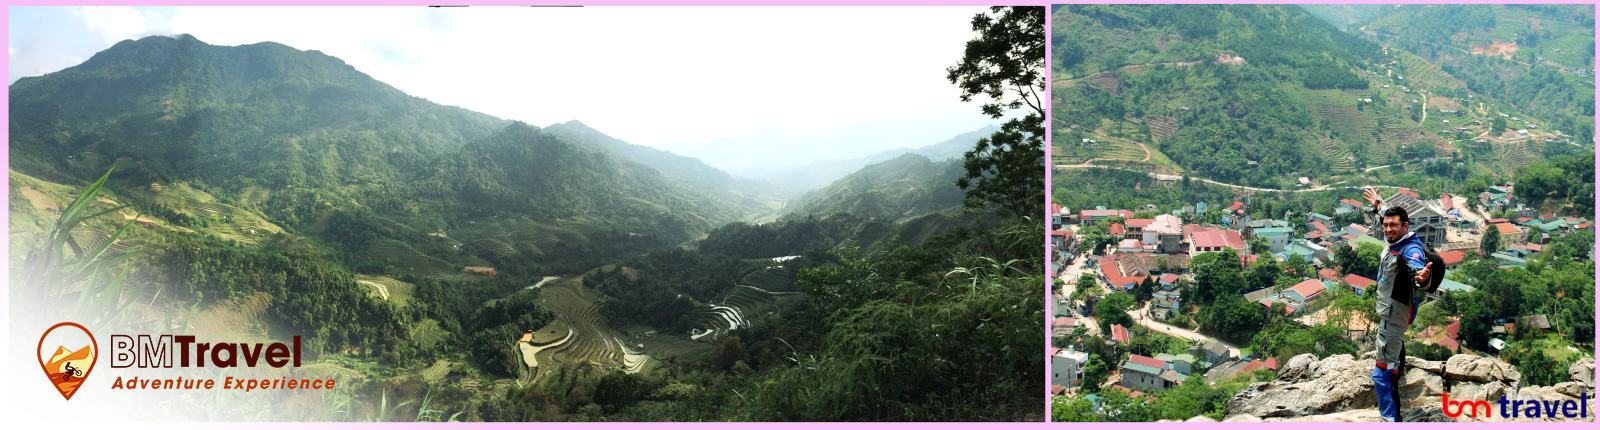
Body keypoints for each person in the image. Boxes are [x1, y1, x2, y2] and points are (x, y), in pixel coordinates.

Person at [1362, 187, 1434, 422]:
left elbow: (1417, 269)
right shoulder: (1396, 238)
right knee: (1394, 349)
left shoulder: (1410, 249)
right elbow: (1386, 215)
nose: (1388, 229)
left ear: (1406, 226)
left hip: (1394, 317)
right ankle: (1397, 364)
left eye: (1393, 225)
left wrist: (1422, 278)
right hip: (1397, 310)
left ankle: (1390, 419)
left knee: (1382, 373)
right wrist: (1379, 205)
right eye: (1386, 225)